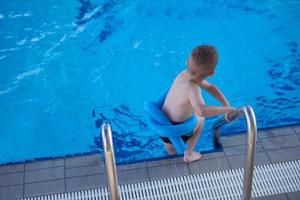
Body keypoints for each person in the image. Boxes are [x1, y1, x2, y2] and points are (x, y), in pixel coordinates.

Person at [161, 45, 236, 163]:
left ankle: (171, 153)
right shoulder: (193, 88)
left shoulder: (182, 75)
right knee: (201, 119)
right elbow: (201, 111)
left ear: (187, 62)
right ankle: (189, 153)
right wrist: (226, 110)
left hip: (163, 124)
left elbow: (210, 87)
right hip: (180, 129)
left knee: (171, 147)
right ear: (212, 73)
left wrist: (226, 104)